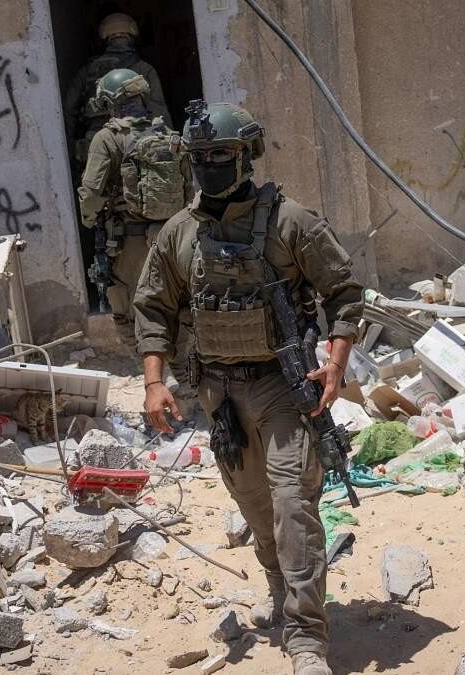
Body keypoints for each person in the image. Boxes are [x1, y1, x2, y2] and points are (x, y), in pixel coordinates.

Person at [132, 101, 364, 675]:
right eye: (201, 156)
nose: (211, 164)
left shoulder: (293, 223)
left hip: (283, 389)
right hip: (218, 396)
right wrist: (154, 382)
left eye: (222, 154)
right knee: (256, 507)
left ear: (246, 157)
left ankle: (308, 638)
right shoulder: (179, 234)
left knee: (293, 506)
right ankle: (279, 591)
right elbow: (153, 308)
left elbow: (344, 293)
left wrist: (335, 366)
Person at [77, 69, 193, 401]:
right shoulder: (169, 134)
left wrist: (90, 221)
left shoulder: (107, 138)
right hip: (172, 238)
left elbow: (91, 193)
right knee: (177, 306)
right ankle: (185, 377)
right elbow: (189, 188)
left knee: (128, 312)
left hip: (130, 243)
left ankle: (157, 383)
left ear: (110, 101)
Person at [63, 12, 170, 168]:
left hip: (96, 144)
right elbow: (159, 111)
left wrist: (69, 148)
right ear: (133, 33)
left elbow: (68, 109)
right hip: (135, 143)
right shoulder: (144, 69)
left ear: (105, 36)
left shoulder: (87, 71)